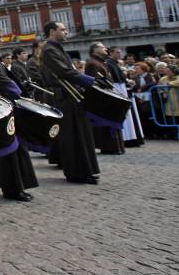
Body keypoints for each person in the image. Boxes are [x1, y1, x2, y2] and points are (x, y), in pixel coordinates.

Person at [0, 26, 38, 202]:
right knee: (10, 147)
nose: (1, 40)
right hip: (4, 103)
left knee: (15, 146)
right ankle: (13, 188)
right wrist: (14, 89)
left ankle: (17, 186)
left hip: (7, 102)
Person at [40, 22, 100, 184]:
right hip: (64, 95)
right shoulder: (49, 50)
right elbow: (63, 71)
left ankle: (85, 169)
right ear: (52, 31)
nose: (66, 32)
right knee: (72, 135)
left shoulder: (56, 48)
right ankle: (76, 172)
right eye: (63, 30)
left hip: (70, 94)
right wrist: (89, 80)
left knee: (80, 134)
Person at [84, 42, 125, 155]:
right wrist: (105, 83)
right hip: (102, 97)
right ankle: (109, 147)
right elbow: (94, 81)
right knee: (106, 123)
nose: (105, 48)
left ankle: (115, 146)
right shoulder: (92, 63)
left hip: (108, 94)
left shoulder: (101, 62)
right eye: (102, 47)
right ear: (95, 50)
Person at [107, 46, 143, 147]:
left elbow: (121, 78)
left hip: (123, 89)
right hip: (119, 90)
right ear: (111, 53)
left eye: (120, 52)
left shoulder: (115, 63)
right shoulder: (109, 63)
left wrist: (127, 81)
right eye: (117, 52)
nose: (120, 54)